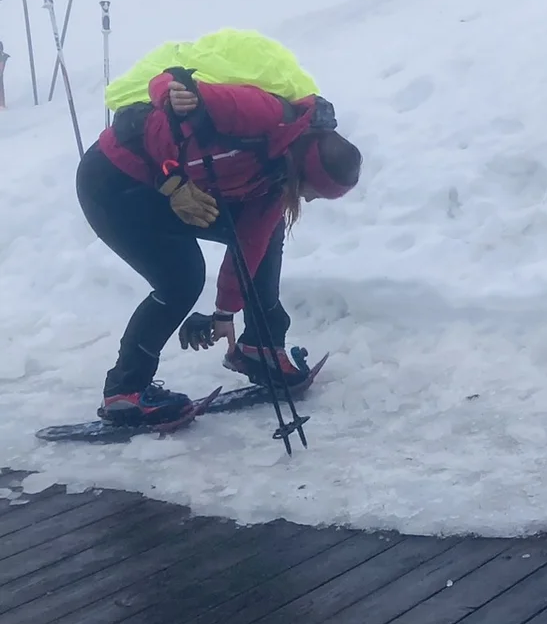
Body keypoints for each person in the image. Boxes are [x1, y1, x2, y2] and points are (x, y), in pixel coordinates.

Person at [79, 66, 362, 425]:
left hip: (181, 188)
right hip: (116, 180)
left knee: (269, 230)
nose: (311, 199)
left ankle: (259, 347)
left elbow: (250, 240)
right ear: (305, 171)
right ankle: (125, 392)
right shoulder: (263, 115)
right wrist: (173, 178)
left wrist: (224, 312)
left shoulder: (277, 177)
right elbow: (169, 87)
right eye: (316, 191)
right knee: (181, 280)